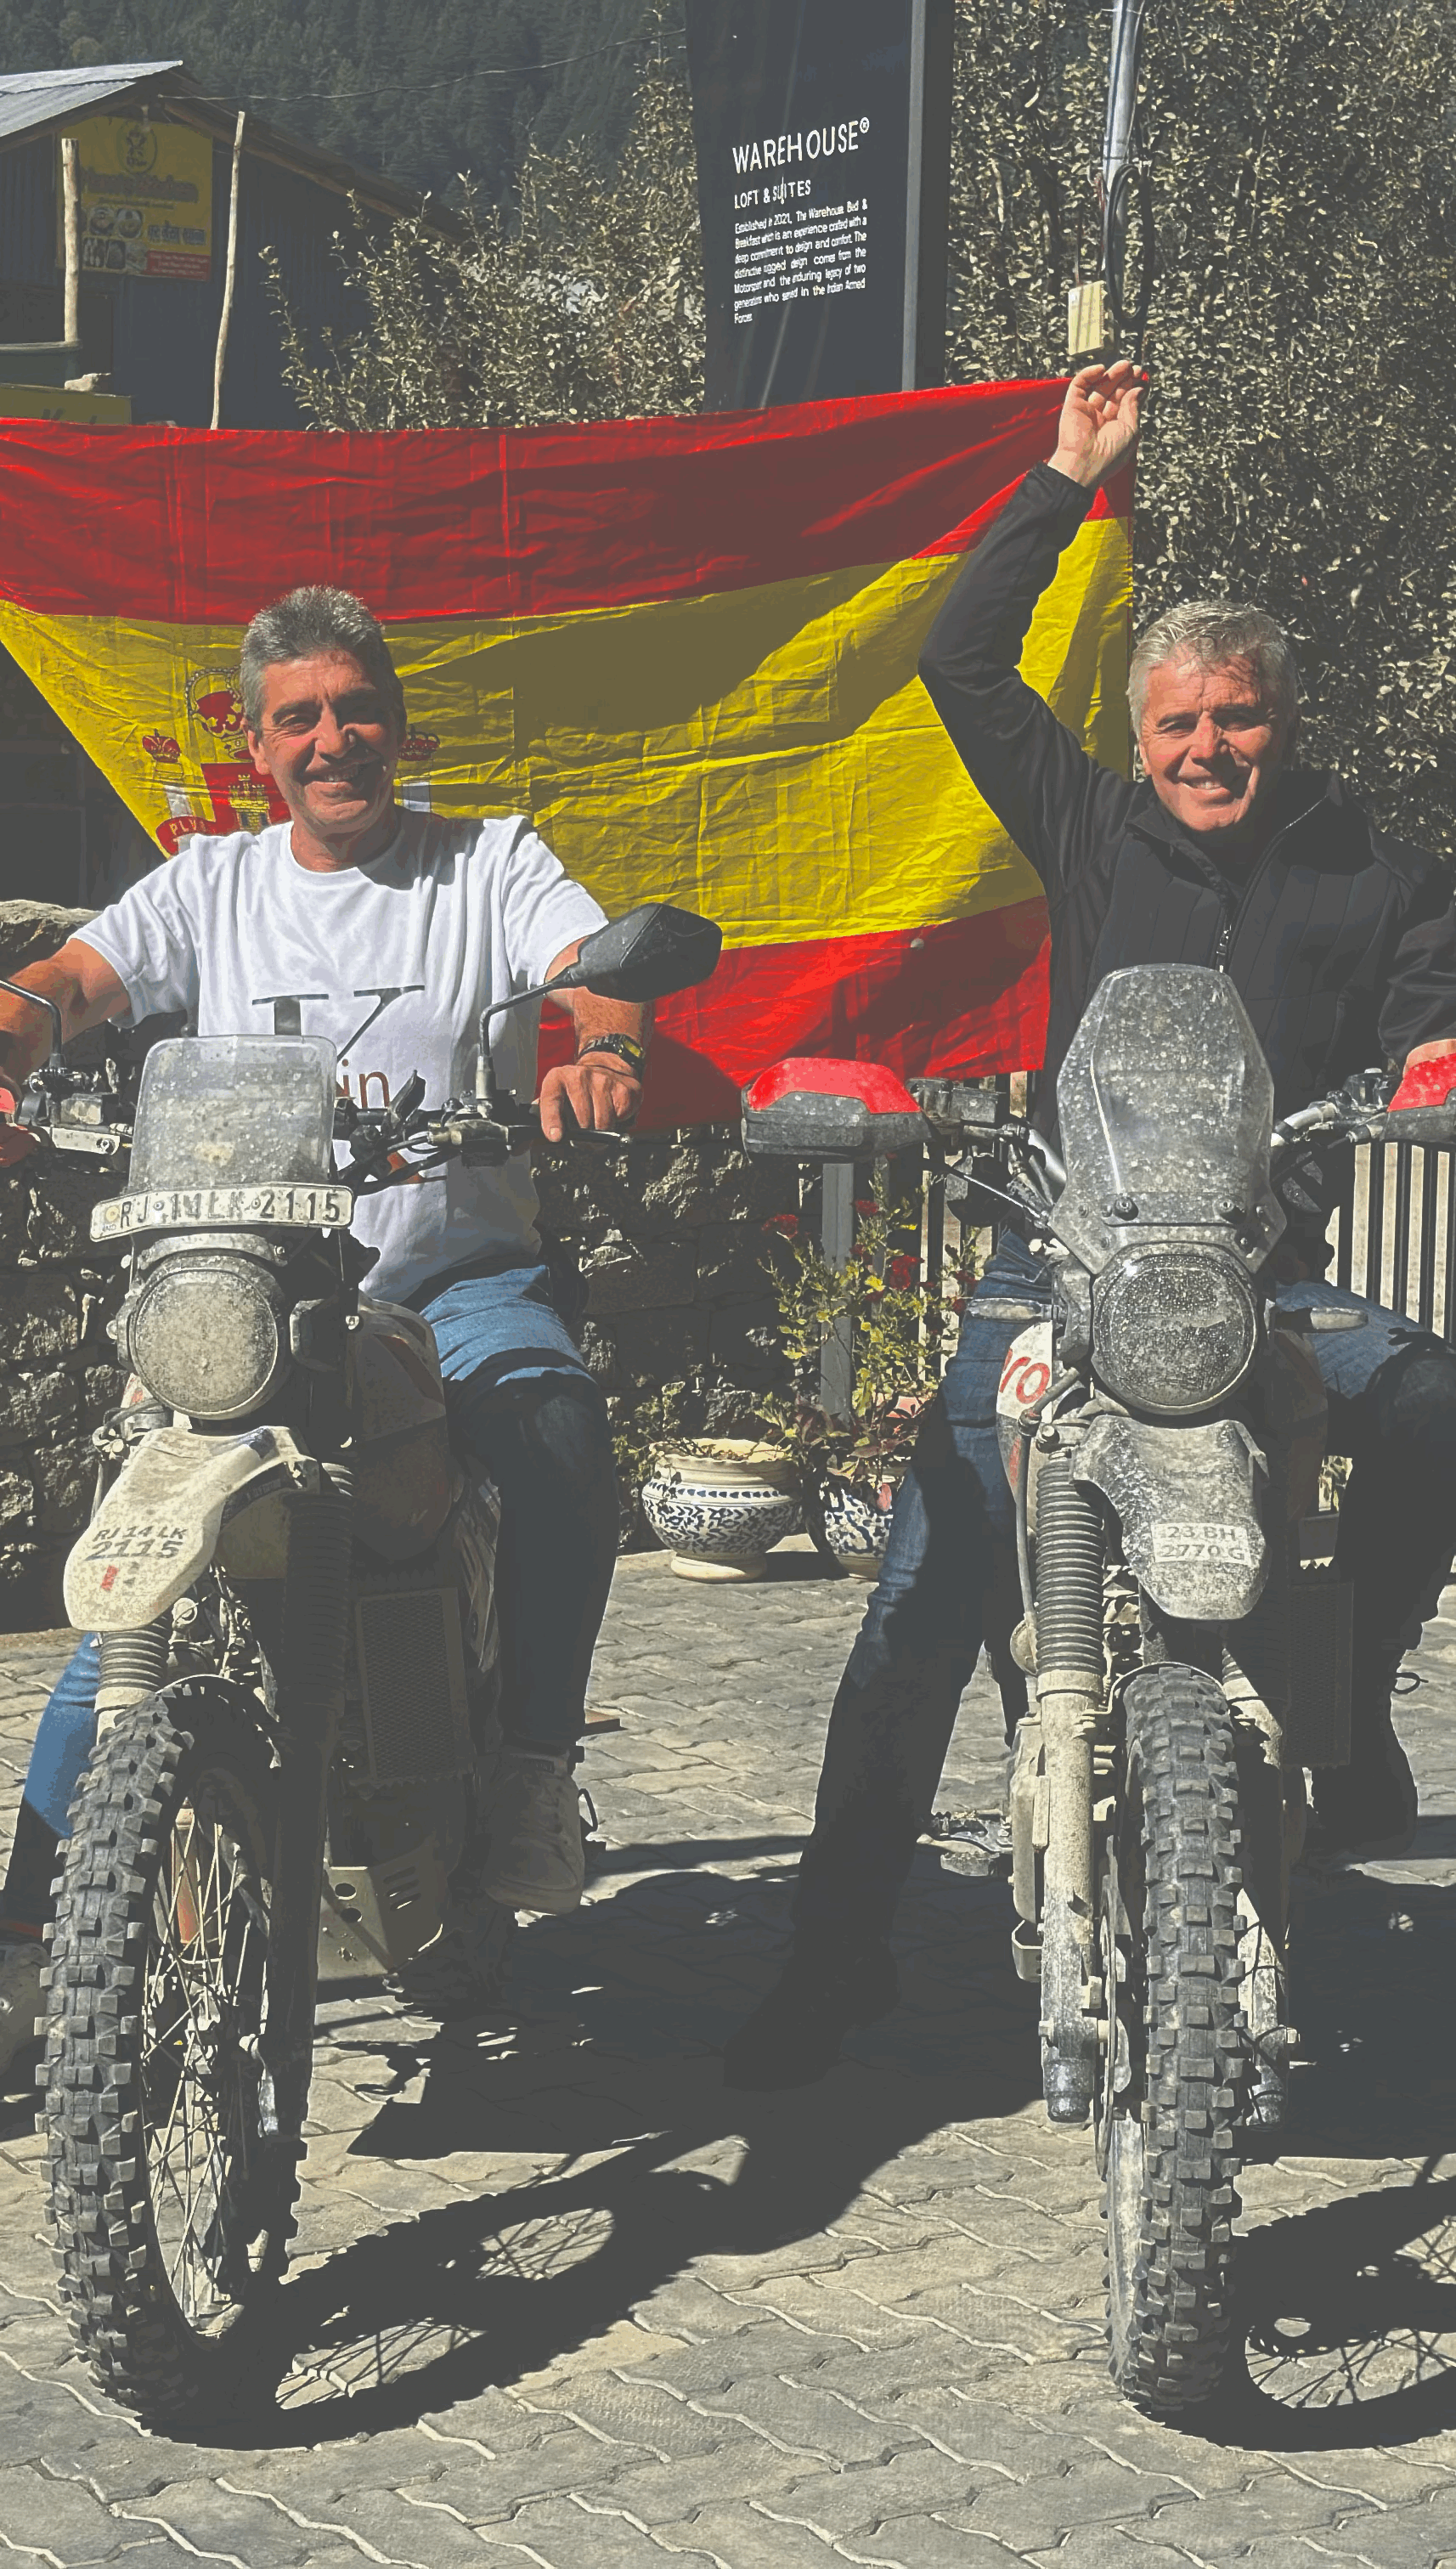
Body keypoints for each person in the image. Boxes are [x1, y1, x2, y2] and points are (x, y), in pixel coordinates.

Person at [725, 362, 1456, 2091]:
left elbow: (1427, 1015)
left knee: (1426, 1393)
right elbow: (954, 665)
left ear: (1284, 725)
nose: (1207, 749)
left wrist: (1426, 1062)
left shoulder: (1370, 867)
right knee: (923, 1587)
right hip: (1051, 1271)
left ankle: (1347, 1715)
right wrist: (1060, 478)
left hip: (1259, 1282)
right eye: (1178, 725)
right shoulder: (1086, 822)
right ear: (1138, 744)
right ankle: (830, 1963)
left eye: (1237, 721)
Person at [0, 584, 646, 2072]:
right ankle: (32, 1940)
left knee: (552, 1422)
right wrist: (12, 1042)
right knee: (128, 1596)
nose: (333, 738)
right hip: (253, 1289)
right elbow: (70, 982)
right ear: (257, 741)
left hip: (446, 1285)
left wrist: (600, 1046)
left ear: (400, 726)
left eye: (357, 709)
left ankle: (534, 1764)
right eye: (300, 716)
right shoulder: (208, 884)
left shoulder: (486, 865)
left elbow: (589, 963)